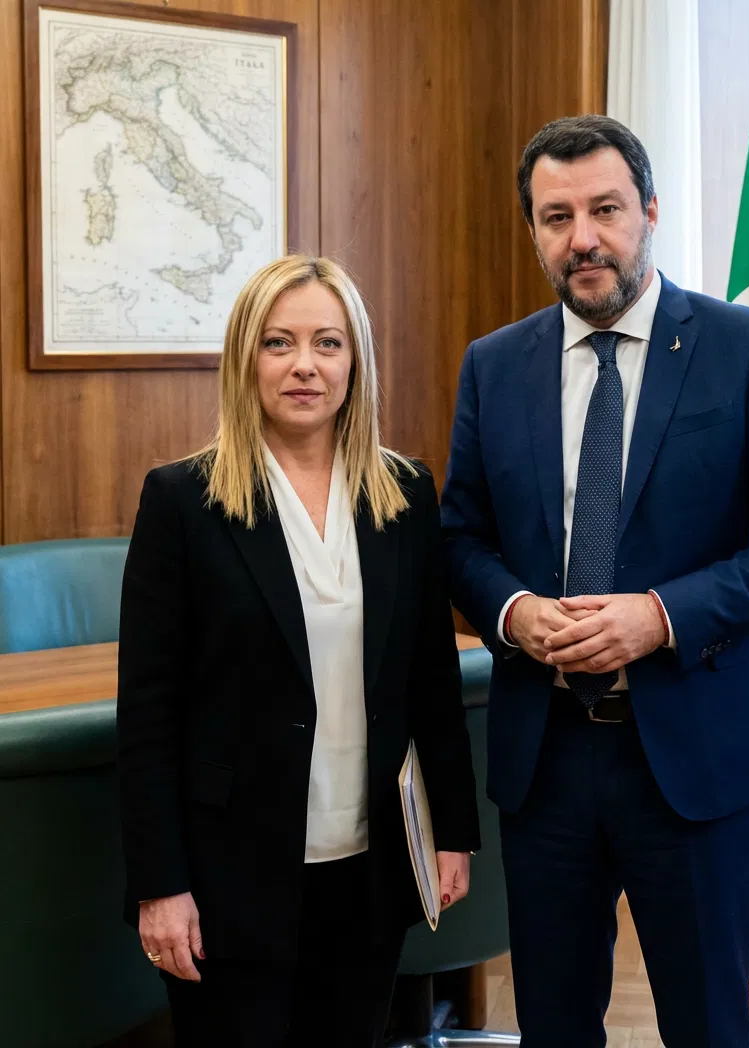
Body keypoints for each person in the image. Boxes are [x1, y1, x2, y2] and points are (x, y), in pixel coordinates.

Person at [441, 115, 749, 1048]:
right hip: (544, 762)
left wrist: (662, 617)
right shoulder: (494, 366)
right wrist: (512, 611)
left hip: (693, 757)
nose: (582, 237)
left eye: (605, 209)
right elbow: (460, 538)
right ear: (534, 232)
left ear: (650, 213)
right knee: (552, 1021)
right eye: (556, 216)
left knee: (706, 1023)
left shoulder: (745, 346)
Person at [117, 255, 480, 1048]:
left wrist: (452, 832)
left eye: (328, 342)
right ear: (246, 358)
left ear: (357, 361)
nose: (305, 365)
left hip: (370, 865)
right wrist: (161, 888)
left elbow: (429, 680)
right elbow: (147, 716)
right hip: (227, 877)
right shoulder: (183, 499)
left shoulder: (405, 492)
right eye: (279, 343)